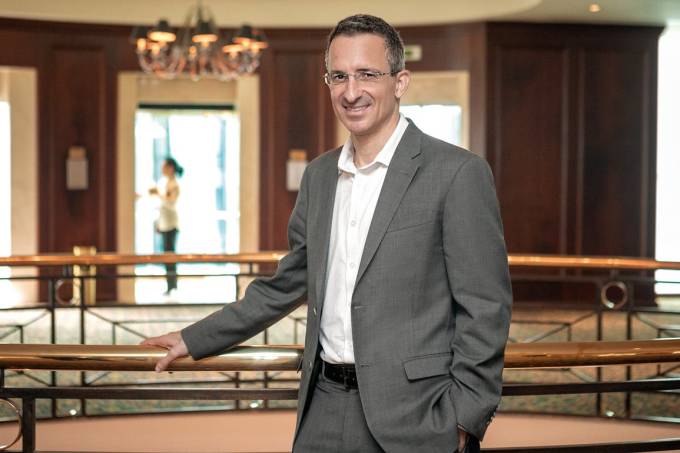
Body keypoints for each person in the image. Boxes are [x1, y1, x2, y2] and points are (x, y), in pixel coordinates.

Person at [143, 14, 511, 453]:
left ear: (400, 81)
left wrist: (463, 419)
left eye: (367, 74)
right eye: (339, 76)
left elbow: (485, 307)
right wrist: (195, 337)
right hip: (322, 405)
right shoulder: (319, 176)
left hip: (418, 415)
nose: (351, 92)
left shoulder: (457, 173)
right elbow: (285, 285)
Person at [149, 157, 183, 296]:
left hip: (171, 224)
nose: (162, 169)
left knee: (170, 255)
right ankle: (171, 284)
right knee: (167, 255)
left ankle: (172, 285)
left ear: (171, 168)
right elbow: (162, 205)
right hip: (164, 224)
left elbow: (170, 204)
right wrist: (158, 223)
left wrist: (158, 194)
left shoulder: (174, 185)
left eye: (164, 166)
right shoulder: (166, 183)